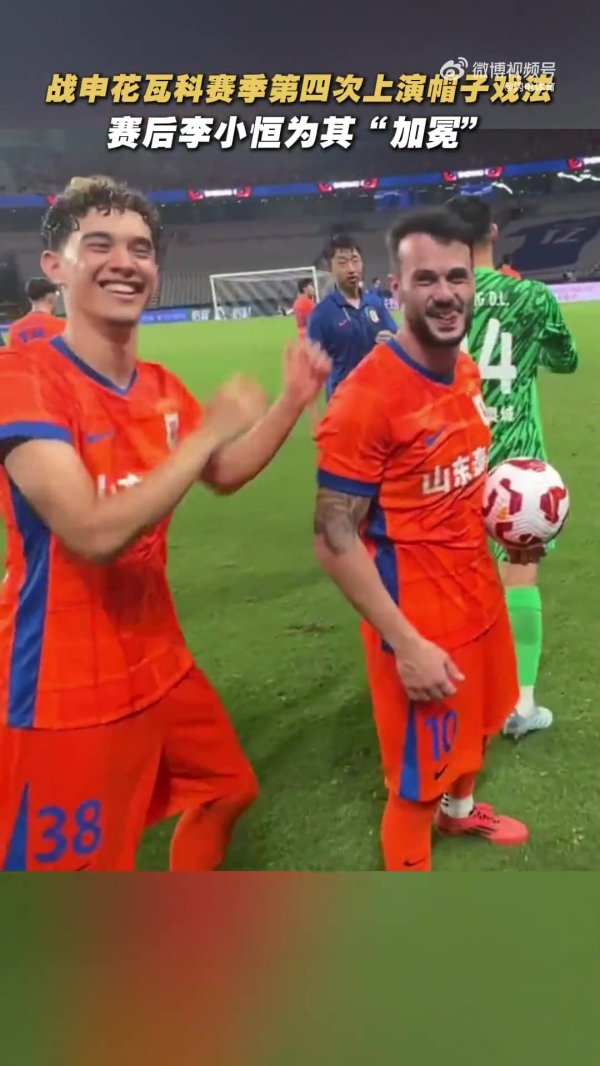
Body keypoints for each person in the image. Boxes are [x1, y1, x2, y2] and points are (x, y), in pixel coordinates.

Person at [0, 175, 330, 872]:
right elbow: (90, 533)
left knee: (226, 788)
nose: (125, 261)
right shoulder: (23, 379)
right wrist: (206, 434)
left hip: (160, 663)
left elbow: (223, 471)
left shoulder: (160, 389)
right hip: (64, 683)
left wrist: (291, 402)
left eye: (141, 248)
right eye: (100, 245)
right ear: (56, 266)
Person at [314, 207, 535, 872]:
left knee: (480, 731)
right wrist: (406, 645)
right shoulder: (367, 397)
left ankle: (460, 811)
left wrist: (513, 527)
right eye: (426, 279)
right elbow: (333, 536)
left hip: (480, 595)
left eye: (456, 277)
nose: (445, 293)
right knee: (415, 785)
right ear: (397, 287)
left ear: (473, 282)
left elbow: (461, 480)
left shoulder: (463, 371)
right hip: (418, 616)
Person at [446, 195, 578, 738]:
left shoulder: (444, 299)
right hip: (519, 459)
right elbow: (566, 359)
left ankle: (464, 695)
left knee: (458, 575)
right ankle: (521, 703)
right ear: (494, 233)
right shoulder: (532, 296)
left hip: (457, 450)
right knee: (519, 573)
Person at [307, 233, 398, 399]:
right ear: (330, 267)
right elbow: (311, 367)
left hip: (378, 395)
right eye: (342, 263)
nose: (351, 269)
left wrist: (391, 339)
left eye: (355, 261)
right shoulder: (321, 313)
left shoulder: (375, 303)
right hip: (343, 400)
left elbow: (398, 339)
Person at [8, 277, 66, 349]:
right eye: (57, 294)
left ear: (30, 299)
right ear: (51, 298)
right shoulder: (62, 327)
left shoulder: (15, 328)